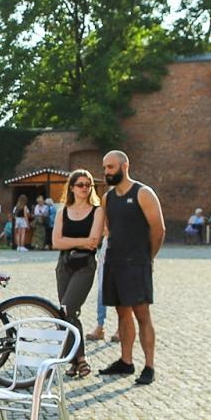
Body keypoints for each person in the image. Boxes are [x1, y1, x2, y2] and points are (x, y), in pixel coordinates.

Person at [97, 150, 164, 384]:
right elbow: (109, 230)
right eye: (105, 168)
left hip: (137, 264)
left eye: (110, 167)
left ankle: (149, 366)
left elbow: (158, 230)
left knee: (142, 315)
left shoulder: (143, 193)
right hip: (114, 264)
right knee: (122, 313)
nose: (106, 172)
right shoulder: (108, 198)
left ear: (125, 166)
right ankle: (126, 362)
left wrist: (148, 258)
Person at [53, 168, 106, 377]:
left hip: (84, 266)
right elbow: (56, 242)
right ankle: (76, 361)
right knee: (68, 313)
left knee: (68, 308)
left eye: (88, 185)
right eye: (81, 184)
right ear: (72, 188)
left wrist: (73, 242)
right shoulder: (62, 212)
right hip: (64, 265)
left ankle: (80, 359)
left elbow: (94, 243)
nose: (85, 188)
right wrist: (82, 241)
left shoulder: (97, 211)